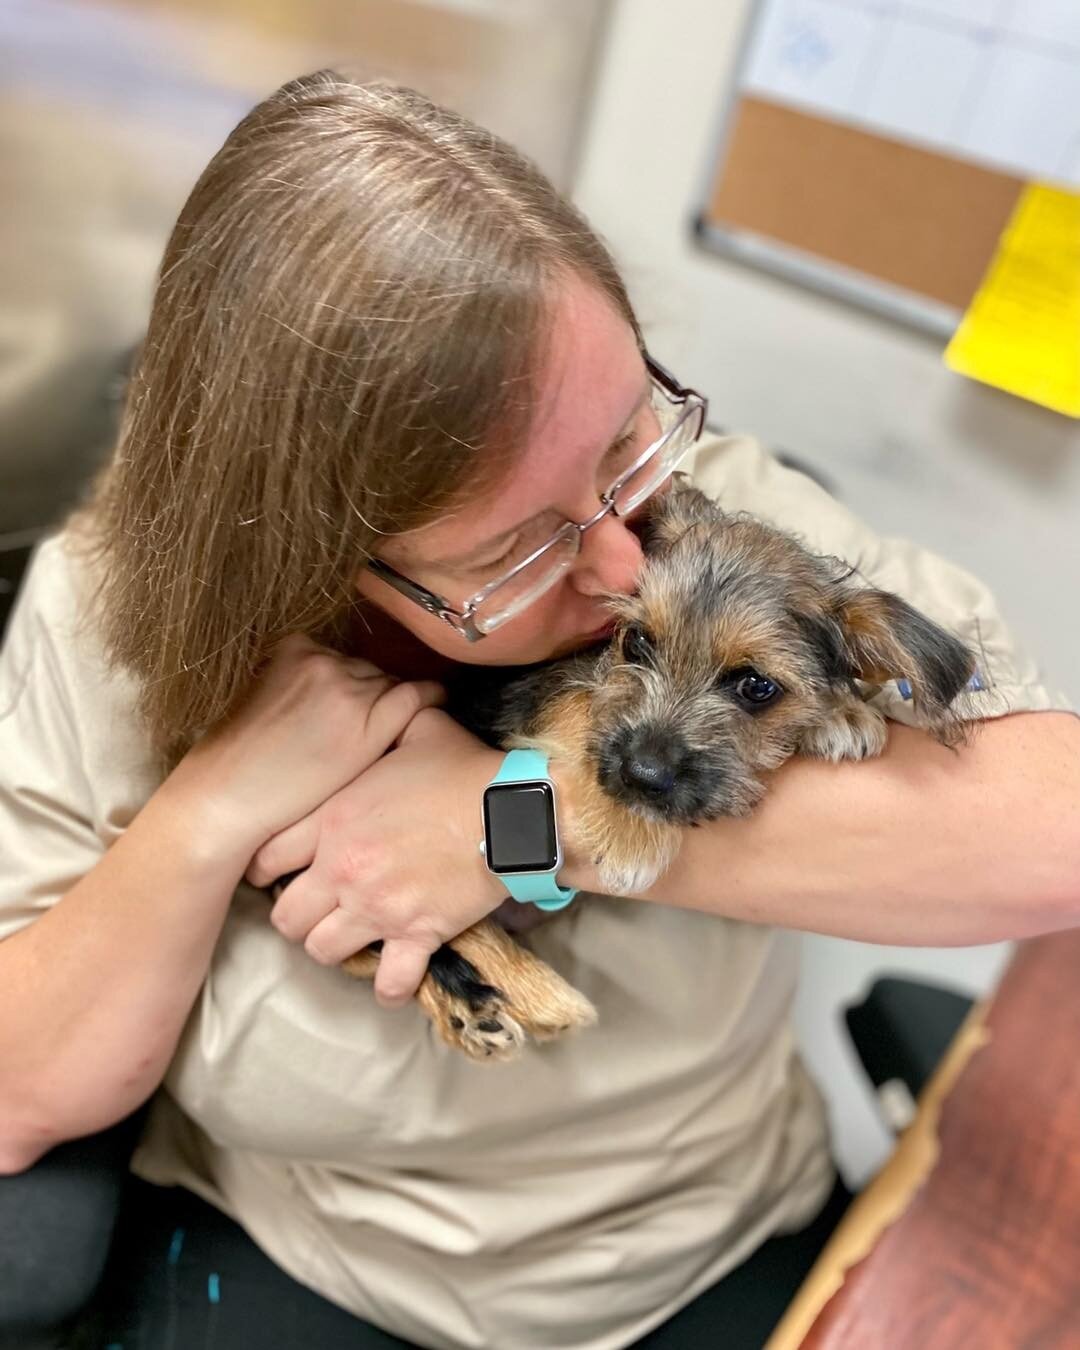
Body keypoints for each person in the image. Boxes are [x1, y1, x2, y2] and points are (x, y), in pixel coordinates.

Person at [0, 70, 1076, 1350]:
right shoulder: (105, 609)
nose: (632, 564)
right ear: (312, 551)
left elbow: (1054, 832)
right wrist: (203, 817)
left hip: (708, 1241)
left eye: (627, 440)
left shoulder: (717, 518)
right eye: (517, 546)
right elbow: (21, 1087)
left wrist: (525, 816)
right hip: (331, 1264)